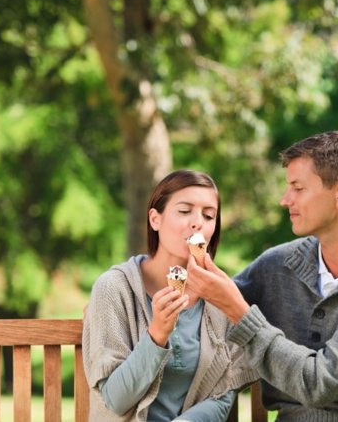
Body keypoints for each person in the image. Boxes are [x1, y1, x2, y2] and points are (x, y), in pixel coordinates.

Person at [187, 131, 338, 421]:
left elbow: (318, 384)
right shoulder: (279, 265)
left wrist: (239, 313)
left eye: (298, 188)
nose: (284, 200)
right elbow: (203, 316)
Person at [82, 169, 257, 422]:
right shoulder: (114, 288)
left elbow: (222, 391)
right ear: (155, 219)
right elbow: (115, 400)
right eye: (184, 211)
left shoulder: (220, 296)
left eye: (208, 216)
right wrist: (157, 335)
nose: (197, 222)